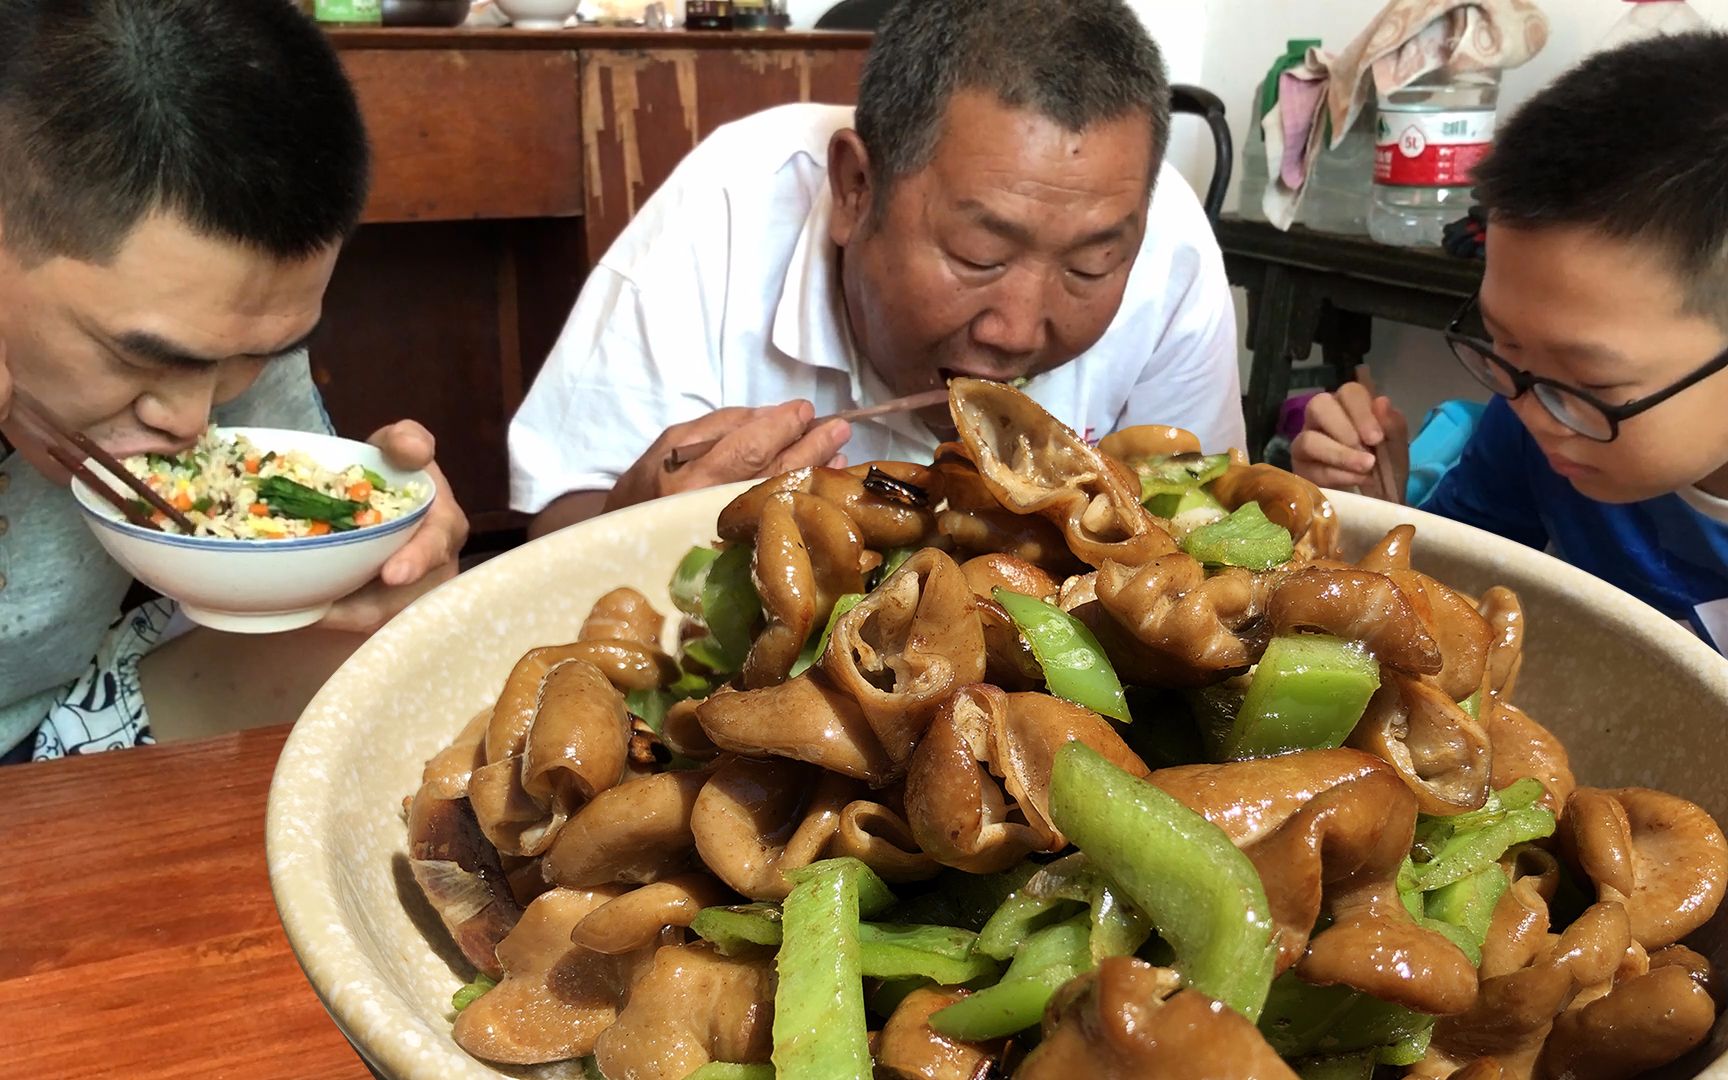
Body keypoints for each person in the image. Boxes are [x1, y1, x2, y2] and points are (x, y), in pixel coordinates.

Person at [509, 0, 1244, 539]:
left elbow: (1202, 508)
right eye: (977, 256)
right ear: (856, 190)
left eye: (1090, 268)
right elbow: (555, 522)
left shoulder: (1163, 242)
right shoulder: (724, 214)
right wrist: (636, 521)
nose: (1016, 332)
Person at [0, 0, 469, 760]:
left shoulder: (228, 316)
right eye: (137, 357)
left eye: (253, 354)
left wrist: (380, 564)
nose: (191, 420)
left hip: (87, 695)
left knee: (413, 646)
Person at [1290, 32, 1728, 648]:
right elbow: (1445, 623)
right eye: (1504, 347)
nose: (1538, 415)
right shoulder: (1530, 421)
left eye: (1593, 386)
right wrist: (1375, 522)